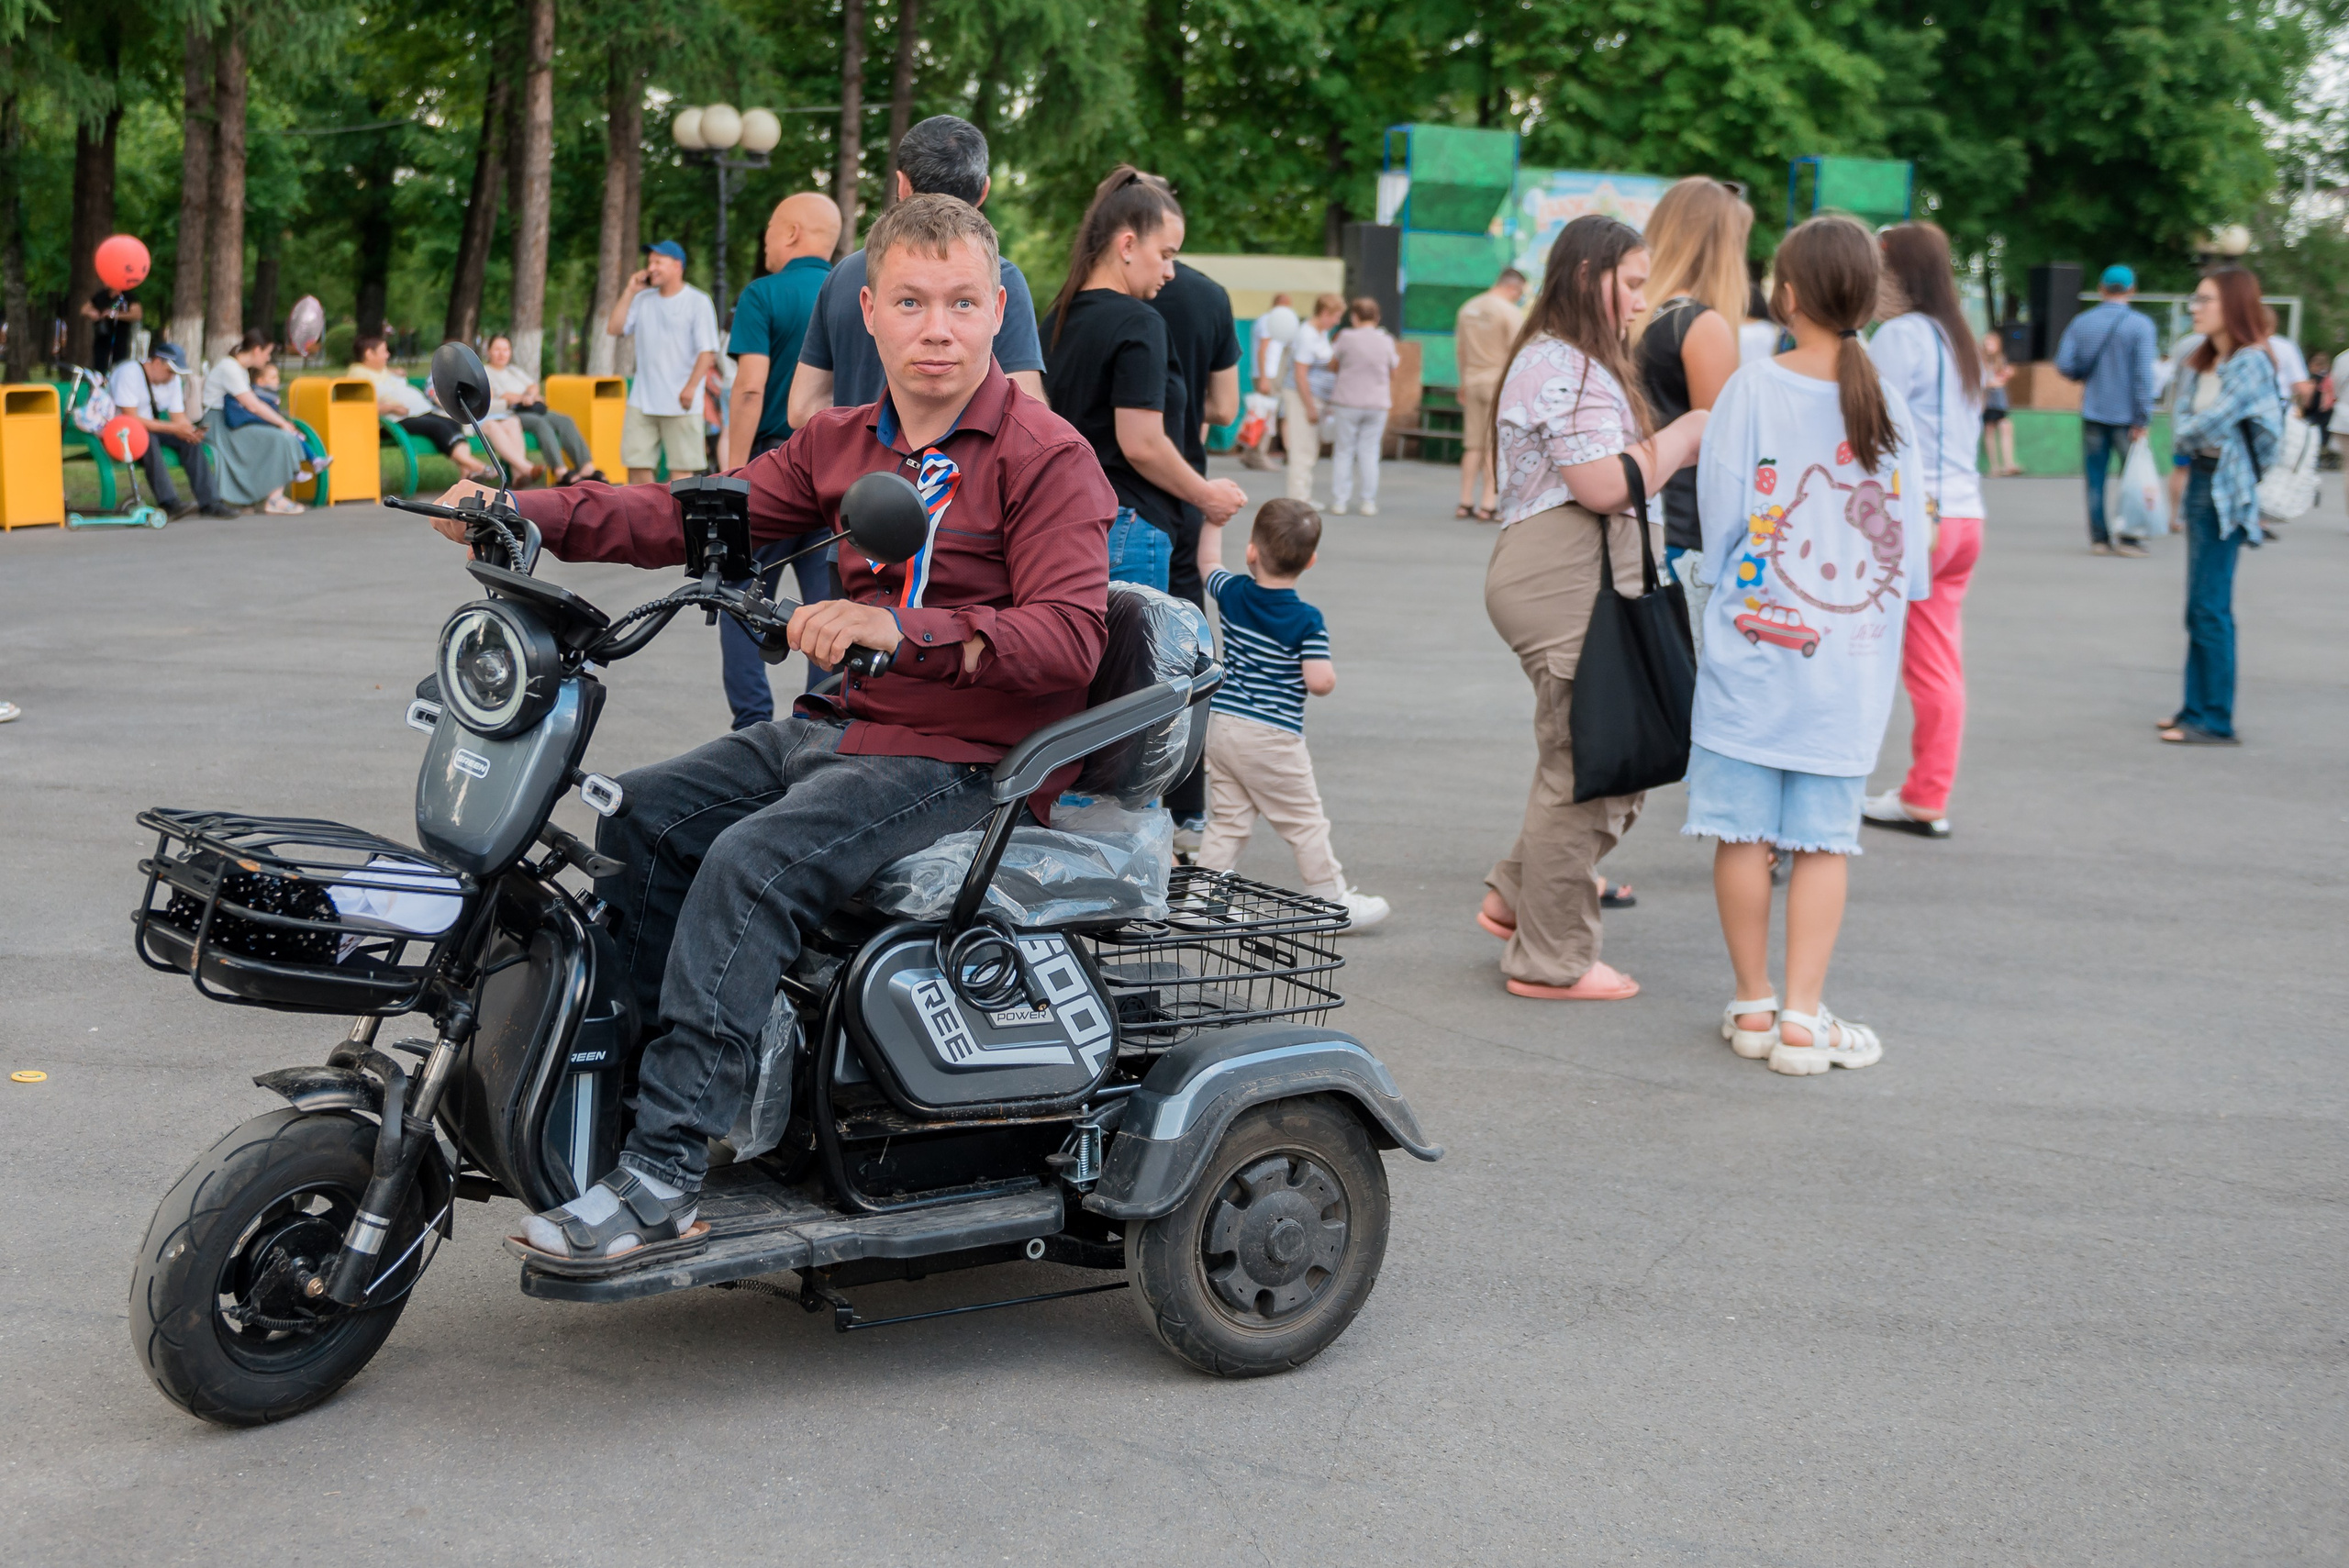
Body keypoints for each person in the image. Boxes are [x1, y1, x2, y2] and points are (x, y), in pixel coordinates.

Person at [420, 195, 1119, 1266]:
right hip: (841, 725)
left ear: (996, 313)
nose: (939, 327)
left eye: (964, 303)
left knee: (750, 864)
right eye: (913, 302)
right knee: (646, 814)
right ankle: (644, 1094)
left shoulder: (1046, 455)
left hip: (967, 754)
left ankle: (665, 1167)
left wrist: (902, 627)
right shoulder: (842, 441)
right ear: (869, 315)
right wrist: (534, 516)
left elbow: (1070, 638)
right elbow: (699, 514)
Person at [1689, 214, 1930, 1074]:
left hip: (1751, 653)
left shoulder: (1754, 388)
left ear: (1786, 295)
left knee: (1740, 830)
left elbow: (1720, 516)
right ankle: (1801, 1018)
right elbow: (1911, 553)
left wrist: (1716, 587)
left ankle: (1753, 1004)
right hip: (1850, 665)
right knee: (1826, 840)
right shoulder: (1887, 402)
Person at [1474, 215, 1708, 1003]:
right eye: (1632, 283)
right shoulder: (1566, 367)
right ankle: (1552, 958)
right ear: (1586, 276)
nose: (1642, 302)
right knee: (1591, 769)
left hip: (1571, 573)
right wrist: (1683, 436)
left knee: (1599, 757)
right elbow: (1604, 485)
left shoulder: (1565, 361)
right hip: (1563, 572)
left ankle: (1517, 897)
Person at [1041, 164, 1247, 593]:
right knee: (1140, 660)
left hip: (1063, 526)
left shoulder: (1057, 318)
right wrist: (1207, 495)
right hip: (1128, 526)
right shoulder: (1140, 323)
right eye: (1167, 254)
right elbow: (1142, 443)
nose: (1171, 272)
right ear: (1128, 244)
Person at [1192, 498, 1388, 927]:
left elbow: (1207, 561)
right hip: (1272, 736)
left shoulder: (1234, 593)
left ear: (1251, 552)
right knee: (1305, 822)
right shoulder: (1306, 619)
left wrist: (1213, 518)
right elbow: (1319, 681)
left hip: (1223, 726)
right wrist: (1328, 678)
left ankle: (1201, 901)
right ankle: (1330, 902)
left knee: (1228, 821)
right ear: (1311, 560)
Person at [788, 116, 1046, 424]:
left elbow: (803, 407)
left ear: (902, 184)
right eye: (910, 302)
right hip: (955, 471)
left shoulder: (844, 274)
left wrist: (863, 440)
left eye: (962, 304)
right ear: (984, 190)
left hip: (855, 471)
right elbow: (1026, 411)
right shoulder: (1000, 277)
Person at [1861, 221, 1986, 841]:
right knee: (1940, 660)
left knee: (1876, 651)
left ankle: (1913, 793)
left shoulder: (1901, 336)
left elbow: (1867, 423)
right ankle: (1925, 791)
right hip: (1964, 516)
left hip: (1921, 519)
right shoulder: (1956, 338)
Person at [718, 190, 846, 728]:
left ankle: (752, 730)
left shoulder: (763, 294)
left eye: (769, 231)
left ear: (791, 233)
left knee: (737, 600)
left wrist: (731, 472)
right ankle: (819, 727)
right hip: (839, 473)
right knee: (830, 611)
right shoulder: (856, 292)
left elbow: (749, 389)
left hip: (770, 470)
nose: (765, 245)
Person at [2160, 268, 2281, 746]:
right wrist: (2192, 428)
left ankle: (2214, 718)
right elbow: (2184, 421)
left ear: (2232, 304)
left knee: (2211, 605)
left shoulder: (2251, 361)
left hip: (2225, 488)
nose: (2195, 307)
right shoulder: (2205, 357)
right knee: (2199, 605)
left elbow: (2205, 424)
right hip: (2202, 481)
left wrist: (2192, 428)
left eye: (2205, 299)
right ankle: (2194, 708)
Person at [1630, 175, 1751, 649]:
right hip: (1687, 534)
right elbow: (1720, 451)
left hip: (1635, 519)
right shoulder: (1700, 325)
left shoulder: (1637, 316)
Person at [2054, 264, 2157, 556]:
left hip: (2094, 411)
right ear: (2132, 290)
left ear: (2101, 288)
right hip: (2128, 418)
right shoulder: (2141, 326)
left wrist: (2081, 375)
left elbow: (2064, 363)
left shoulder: (2082, 322)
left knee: (2095, 477)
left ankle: (2099, 539)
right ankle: (2128, 537)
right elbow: (2143, 378)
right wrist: (2143, 417)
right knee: (2132, 478)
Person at [609, 239, 721, 483]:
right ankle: (649, 517)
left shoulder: (697, 301)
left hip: (682, 400)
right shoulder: (642, 299)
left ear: (677, 265)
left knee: (682, 472)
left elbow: (707, 351)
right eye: (649, 262)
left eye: (658, 261)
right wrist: (630, 291)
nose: (651, 267)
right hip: (643, 399)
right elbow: (615, 327)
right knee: (636, 464)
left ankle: (674, 519)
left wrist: (691, 387)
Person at [347, 334, 496, 484]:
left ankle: (465, 474)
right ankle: (478, 466)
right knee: (438, 427)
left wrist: (394, 372)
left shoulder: (379, 371)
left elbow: (385, 377)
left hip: (415, 414)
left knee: (452, 423)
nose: (388, 355)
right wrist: (391, 408)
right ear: (369, 354)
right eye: (384, 351)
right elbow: (359, 406)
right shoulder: (357, 376)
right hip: (393, 421)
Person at [106, 340, 227, 519]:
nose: (172, 378)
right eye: (170, 372)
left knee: (188, 442)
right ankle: (169, 502)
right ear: (156, 363)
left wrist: (189, 431)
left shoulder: (172, 379)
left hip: (150, 428)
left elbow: (178, 416)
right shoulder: (129, 373)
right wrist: (174, 428)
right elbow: (130, 418)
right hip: (122, 433)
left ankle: (210, 502)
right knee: (148, 438)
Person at [201, 330, 314, 515]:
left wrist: (280, 423)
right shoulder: (230, 368)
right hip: (219, 427)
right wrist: (282, 423)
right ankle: (274, 499)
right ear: (256, 350)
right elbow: (253, 405)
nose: (268, 358)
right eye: (267, 353)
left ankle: (268, 497)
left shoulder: (238, 369)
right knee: (282, 438)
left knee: (280, 437)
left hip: (230, 424)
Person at [1453, 269, 1526, 518]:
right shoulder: (1509, 312)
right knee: (1493, 445)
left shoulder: (1468, 308)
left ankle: (1464, 502)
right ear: (1513, 288)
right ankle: (1488, 503)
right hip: (1499, 383)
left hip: (1472, 380)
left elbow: (1461, 349)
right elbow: (1519, 352)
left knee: (1472, 444)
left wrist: (1462, 382)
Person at [484, 333, 598, 484]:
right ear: (489, 351)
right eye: (497, 349)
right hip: (511, 413)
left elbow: (533, 385)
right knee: (541, 424)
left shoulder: (513, 370)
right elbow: (502, 396)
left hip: (530, 408)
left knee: (564, 420)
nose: (501, 354)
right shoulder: (486, 372)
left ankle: (586, 467)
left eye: (505, 349)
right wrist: (523, 398)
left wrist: (530, 396)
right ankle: (560, 471)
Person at [1325, 298, 1400, 516]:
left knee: (1343, 451)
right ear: (1377, 318)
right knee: (1369, 452)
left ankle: (1340, 501)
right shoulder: (1386, 340)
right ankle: (1368, 501)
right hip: (1377, 403)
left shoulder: (1346, 337)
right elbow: (1392, 371)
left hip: (1347, 401)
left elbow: (1333, 365)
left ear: (1354, 316)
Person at [1285, 294, 1344, 504]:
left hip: (1317, 398)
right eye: (1336, 316)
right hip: (1304, 398)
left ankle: (1303, 494)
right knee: (1303, 448)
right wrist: (1309, 406)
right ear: (1325, 313)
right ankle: (1298, 497)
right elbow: (1300, 374)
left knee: (1310, 448)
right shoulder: (1307, 335)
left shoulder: (1321, 333)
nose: (1337, 321)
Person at [1242, 292, 1300, 470]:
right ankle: (1258, 454)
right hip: (1268, 374)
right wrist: (1264, 378)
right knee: (1265, 414)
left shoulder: (1268, 320)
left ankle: (1253, 452)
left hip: (1270, 373)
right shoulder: (1270, 321)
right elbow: (1263, 349)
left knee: (1262, 412)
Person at [1979, 332, 2019, 476]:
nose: (1990, 346)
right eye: (1987, 343)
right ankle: (1994, 466)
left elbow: (2006, 376)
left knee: (2006, 427)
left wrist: (2009, 374)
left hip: (2000, 403)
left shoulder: (2001, 360)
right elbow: (1983, 381)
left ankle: (2009, 464)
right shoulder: (1981, 362)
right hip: (1987, 403)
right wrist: (1993, 383)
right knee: (1989, 430)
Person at [81, 284, 142, 369]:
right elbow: (84, 310)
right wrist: (93, 313)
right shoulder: (101, 295)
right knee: (99, 365)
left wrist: (115, 315)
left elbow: (137, 315)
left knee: (119, 365)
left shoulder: (127, 296)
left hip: (120, 339)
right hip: (102, 337)